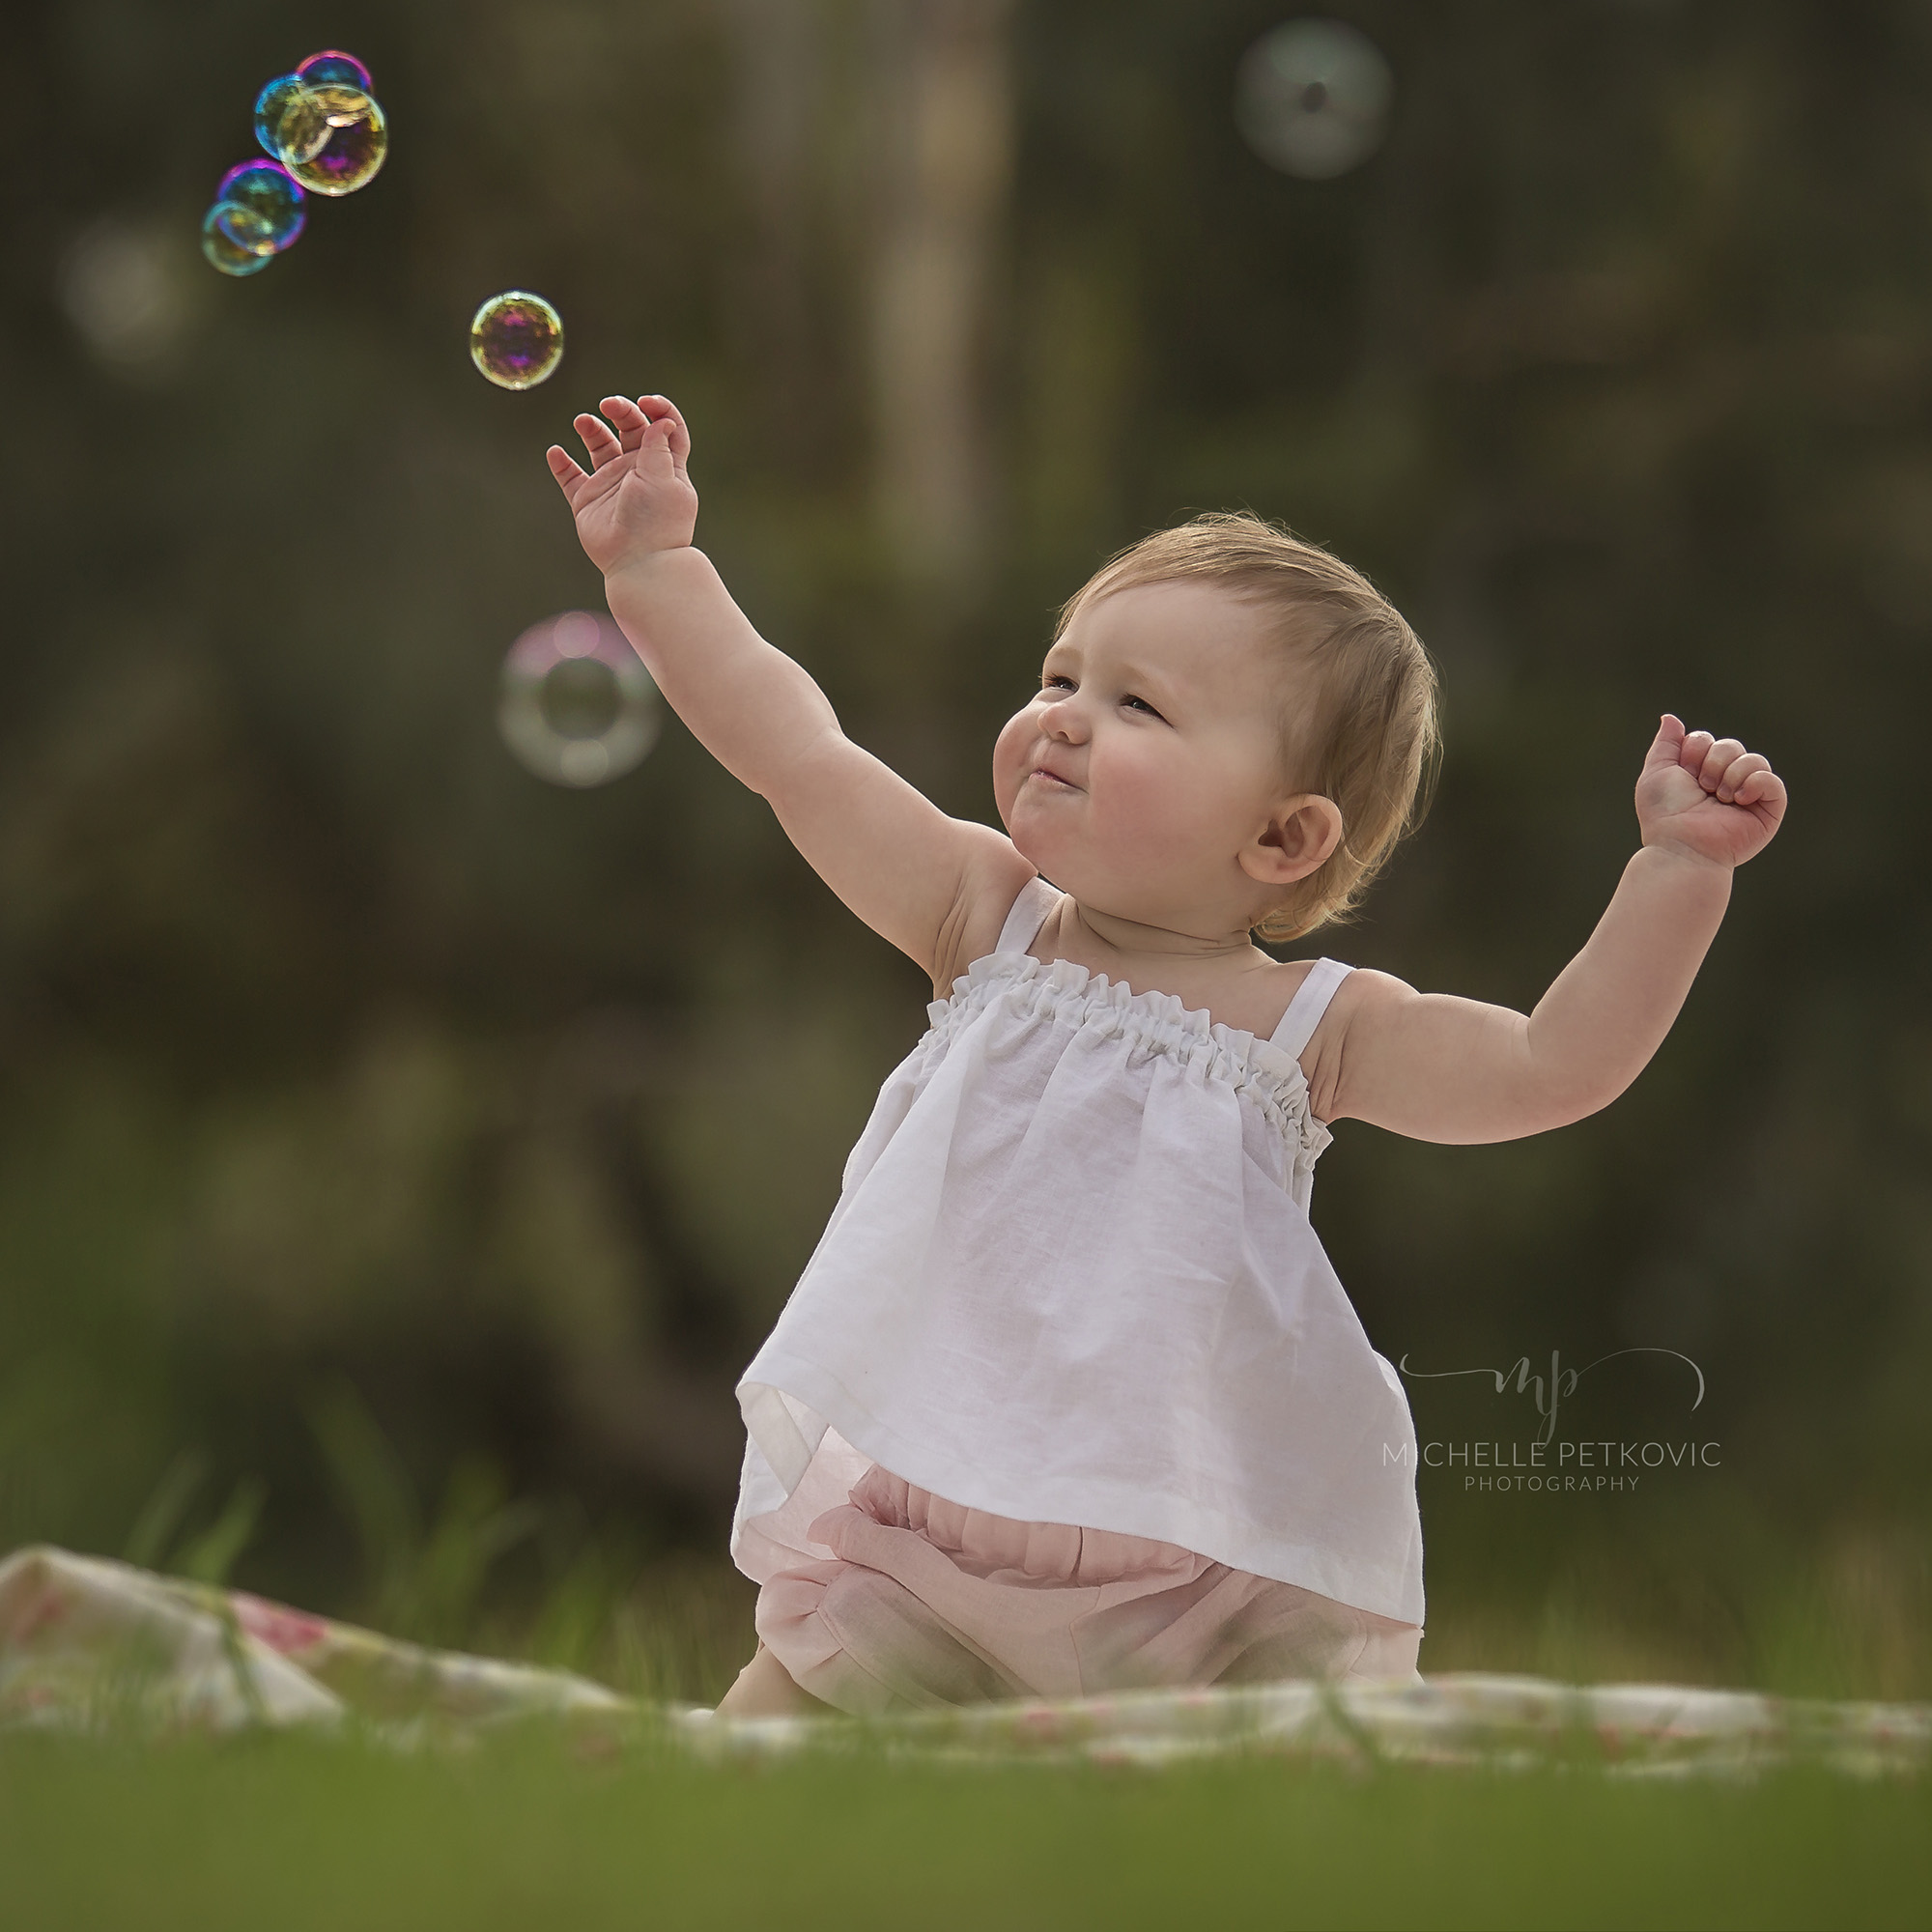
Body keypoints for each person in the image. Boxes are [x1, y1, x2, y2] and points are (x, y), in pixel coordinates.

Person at [547, 395, 1787, 1718]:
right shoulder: (985, 917)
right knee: (759, 1772)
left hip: (1190, 1582)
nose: (1064, 716)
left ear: (1283, 840)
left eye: (1134, 703)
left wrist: (1679, 872)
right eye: (1058, 676)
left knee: (1236, 1834)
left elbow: (1555, 1064)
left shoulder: (1315, 1028)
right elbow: (797, 753)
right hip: (923, 1539)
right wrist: (658, 569)